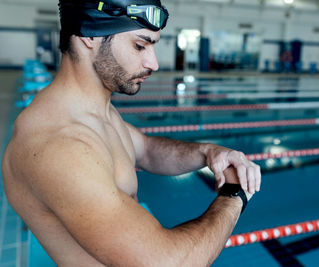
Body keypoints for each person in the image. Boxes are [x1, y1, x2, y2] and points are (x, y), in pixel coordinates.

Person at [2, 0, 261, 266]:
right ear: (90, 34)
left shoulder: (98, 114)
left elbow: (146, 150)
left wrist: (208, 152)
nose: (154, 63)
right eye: (140, 45)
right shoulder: (59, 146)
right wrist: (234, 194)